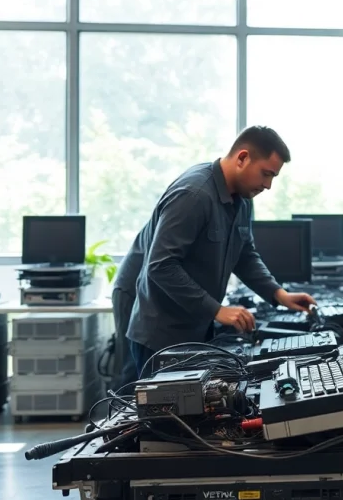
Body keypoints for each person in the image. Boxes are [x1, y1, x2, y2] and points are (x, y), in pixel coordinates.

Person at [112, 126, 315, 386]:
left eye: (273, 177)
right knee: (158, 418)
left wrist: (279, 294)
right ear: (242, 158)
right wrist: (216, 310)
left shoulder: (242, 200)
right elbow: (161, 266)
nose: (268, 185)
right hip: (160, 329)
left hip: (193, 324)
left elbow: (244, 254)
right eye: (266, 174)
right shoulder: (194, 194)